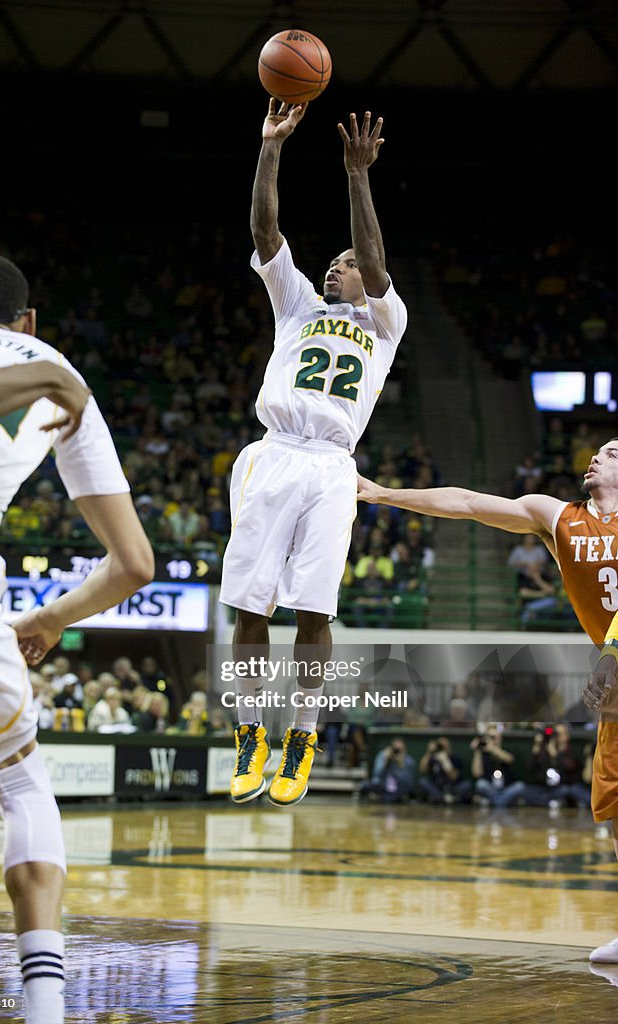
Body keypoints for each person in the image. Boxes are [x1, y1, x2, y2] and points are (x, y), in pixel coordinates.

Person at [0, 254, 154, 1024]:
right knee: (22, 783)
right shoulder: (52, 366)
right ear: (28, 323)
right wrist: (51, 618)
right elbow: (132, 563)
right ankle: (44, 1009)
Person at [357, 435, 618, 961]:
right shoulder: (557, 516)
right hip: (614, 672)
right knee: (612, 805)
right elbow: (469, 503)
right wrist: (383, 493)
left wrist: (611, 653)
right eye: (599, 450)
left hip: (614, 663)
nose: (595, 455)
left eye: (613, 453)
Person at [220, 100, 407, 807]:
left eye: (347, 263)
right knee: (248, 608)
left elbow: (379, 261)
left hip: (331, 466)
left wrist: (356, 175)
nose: (337, 266)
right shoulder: (297, 306)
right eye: (332, 260)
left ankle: (300, 734)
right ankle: (248, 735)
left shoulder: (386, 321)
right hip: (274, 453)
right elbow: (264, 230)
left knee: (313, 615)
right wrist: (270, 146)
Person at [470, 724, 526, 808]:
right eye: (490, 737)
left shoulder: (506, 749)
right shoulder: (483, 753)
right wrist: (477, 751)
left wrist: (493, 749)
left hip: (506, 788)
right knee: (480, 784)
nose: (492, 740)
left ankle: (494, 802)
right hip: (490, 788)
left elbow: (509, 759)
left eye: (494, 737)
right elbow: (476, 773)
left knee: (520, 786)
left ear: (500, 738)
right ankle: (501, 802)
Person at [358, 738, 416, 803]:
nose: (396, 752)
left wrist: (401, 765)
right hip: (383, 785)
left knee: (393, 797)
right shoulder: (383, 755)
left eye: (399, 750)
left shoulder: (409, 761)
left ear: (405, 749)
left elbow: (407, 782)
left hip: (398, 788)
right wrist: (385, 761)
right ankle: (381, 797)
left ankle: (381, 798)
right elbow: (377, 775)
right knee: (365, 786)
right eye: (395, 749)